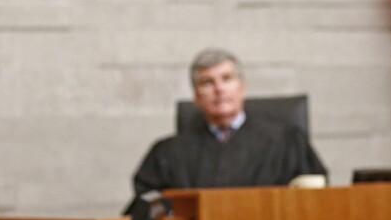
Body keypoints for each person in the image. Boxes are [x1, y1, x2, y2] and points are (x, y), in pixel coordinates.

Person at [126, 48, 326, 211]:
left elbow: (316, 203)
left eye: (227, 79)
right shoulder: (168, 154)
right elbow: (144, 216)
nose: (219, 89)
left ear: (242, 87)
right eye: (207, 82)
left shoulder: (286, 142)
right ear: (196, 96)